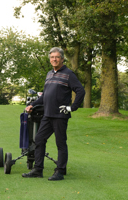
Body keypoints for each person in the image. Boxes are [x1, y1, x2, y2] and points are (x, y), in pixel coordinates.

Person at [22, 47, 85, 181]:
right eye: (52, 57)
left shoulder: (68, 74)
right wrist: (32, 104)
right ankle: (38, 170)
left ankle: (60, 172)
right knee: (39, 139)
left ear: (62, 59)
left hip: (60, 116)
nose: (54, 59)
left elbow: (80, 91)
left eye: (57, 57)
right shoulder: (50, 74)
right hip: (47, 114)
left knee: (60, 143)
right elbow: (45, 96)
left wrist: (72, 108)